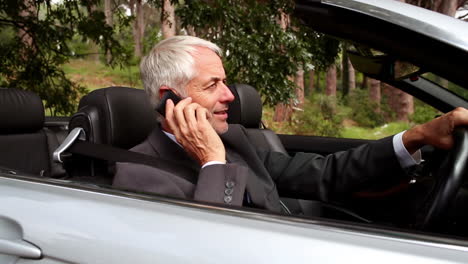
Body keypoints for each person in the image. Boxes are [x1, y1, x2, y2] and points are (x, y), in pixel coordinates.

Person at [113, 35, 468, 214]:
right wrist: (211, 162)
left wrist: (417, 136)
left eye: (225, 82)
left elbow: (324, 173)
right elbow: (209, 245)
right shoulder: (138, 175)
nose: (230, 96)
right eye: (212, 85)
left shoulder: (238, 141)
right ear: (169, 98)